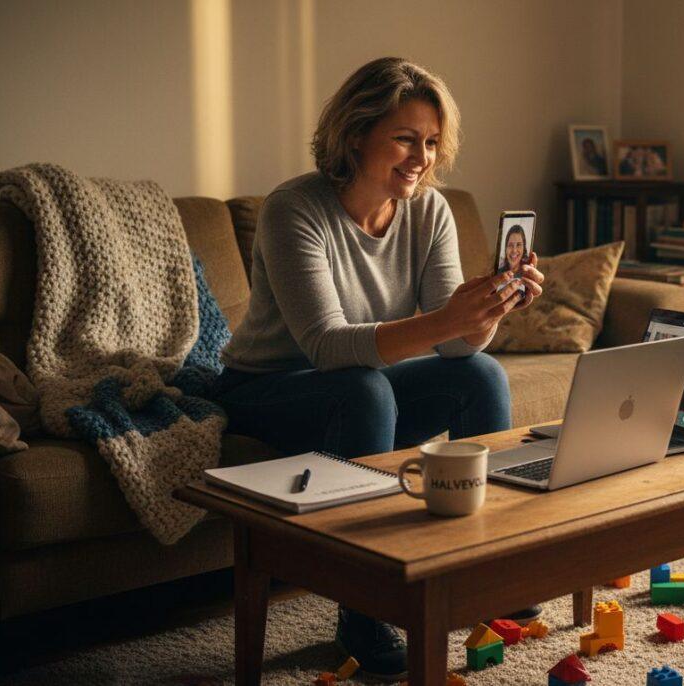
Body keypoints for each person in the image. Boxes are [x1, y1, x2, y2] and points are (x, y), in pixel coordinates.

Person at [214, 57, 544, 682]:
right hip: (268, 387)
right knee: (366, 391)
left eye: (430, 141)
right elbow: (326, 346)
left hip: (363, 383)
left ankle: (485, 571)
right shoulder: (294, 210)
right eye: (404, 137)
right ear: (355, 132)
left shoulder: (430, 211)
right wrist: (449, 319)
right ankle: (364, 609)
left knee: (483, 377)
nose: (421, 156)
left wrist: (492, 308)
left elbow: (456, 350)